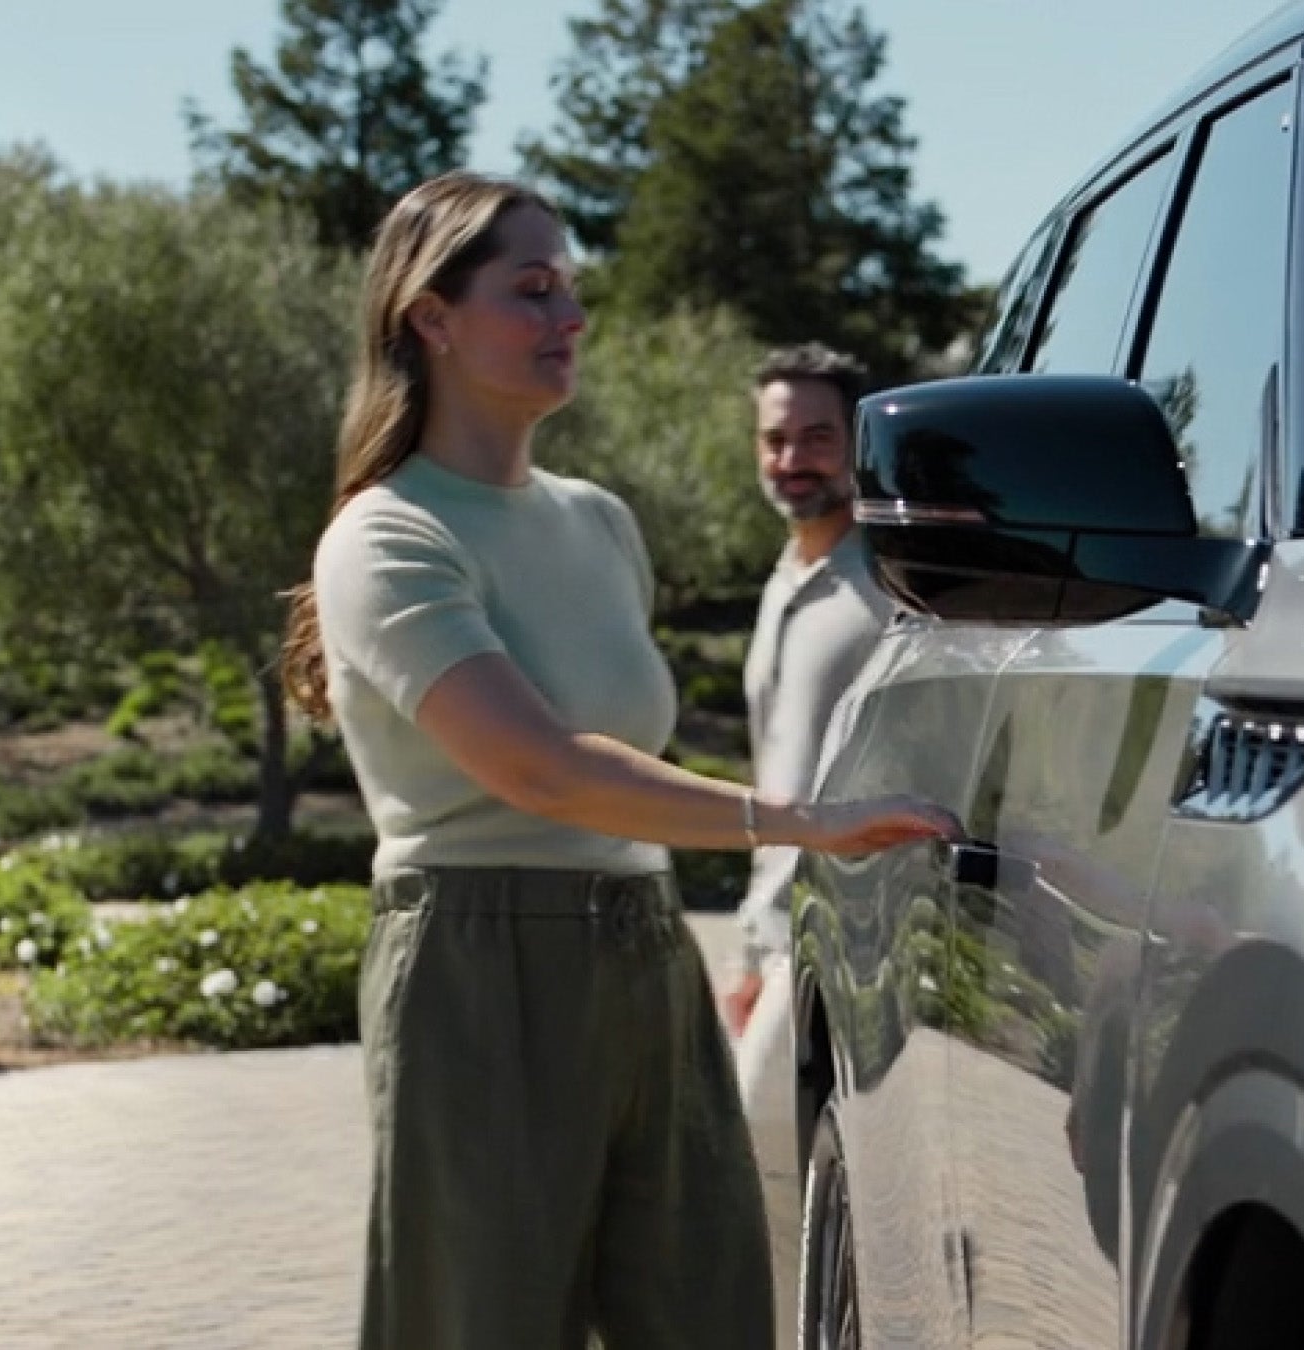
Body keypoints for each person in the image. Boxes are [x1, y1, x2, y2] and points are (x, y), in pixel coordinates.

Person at [278, 171, 956, 1350]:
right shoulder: (387, 536)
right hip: (480, 965)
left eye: (571, 289)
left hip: (645, 945)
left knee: (709, 1312)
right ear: (430, 318)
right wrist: (802, 824)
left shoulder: (598, 521)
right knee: (481, 1324)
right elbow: (542, 770)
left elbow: (616, 761)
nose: (570, 318)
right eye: (532, 290)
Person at [719, 343, 897, 1319]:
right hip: (783, 934)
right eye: (775, 439)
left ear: (859, 446)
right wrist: (751, 949)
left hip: (856, 929)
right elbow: (773, 774)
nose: (792, 459)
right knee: (774, 1181)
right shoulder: (788, 578)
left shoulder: (889, 587)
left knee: (772, 1171)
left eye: (817, 438)